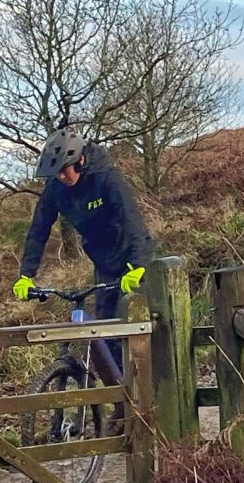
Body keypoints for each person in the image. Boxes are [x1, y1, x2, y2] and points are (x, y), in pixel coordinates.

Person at [12, 126, 155, 380]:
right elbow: (38, 230)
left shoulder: (106, 177)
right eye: (56, 173)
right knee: (105, 336)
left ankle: (150, 399)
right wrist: (26, 275)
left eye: (65, 170)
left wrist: (138, 265)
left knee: (135, 331)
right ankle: (122, 406)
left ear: (80, 160)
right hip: (103, 262)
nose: (62, 177)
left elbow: (132, 220)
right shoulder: (56, 189)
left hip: (131, 260)